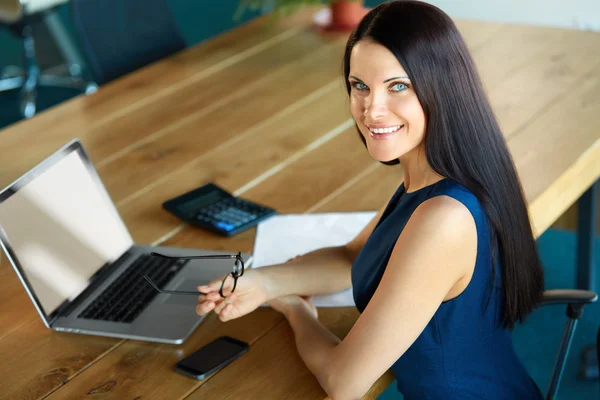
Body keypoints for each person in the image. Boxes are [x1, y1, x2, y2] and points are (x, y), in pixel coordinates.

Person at [196, 1, 545, 399]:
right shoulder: (434, 178)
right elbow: (354, 258)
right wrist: (261, 282)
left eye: (398, 86)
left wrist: (297, 312)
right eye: (359, 85)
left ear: (440, 88)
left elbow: (344, 382)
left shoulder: (443, 218)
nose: (371, 110)